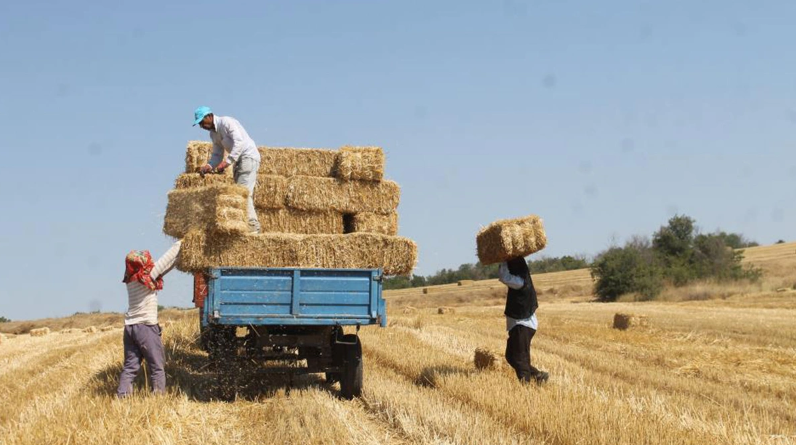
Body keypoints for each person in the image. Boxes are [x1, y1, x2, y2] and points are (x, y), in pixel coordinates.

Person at [117, 241, 181, 398]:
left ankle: (122, 396)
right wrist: (182, 242)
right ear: (143, 265)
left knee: (130, 367)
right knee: (157, 366)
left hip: (130, 327)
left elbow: (165, 268)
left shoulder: (131, 279)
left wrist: (179, 260)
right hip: (146, 327)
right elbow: (165, 260)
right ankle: (158, 397)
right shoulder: (147, 276)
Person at [193, 106, 261, 233]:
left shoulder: (226, 122)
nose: (201, 126)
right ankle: (246, 225)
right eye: (199, 124)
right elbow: (217, 154)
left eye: (202, 122)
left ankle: (253, 227)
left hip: (248, 157)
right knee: (239, 192)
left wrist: (227, 163)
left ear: (209, 116)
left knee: (243, 193)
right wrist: (209, 166)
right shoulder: (213, 134)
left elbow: (239, 142)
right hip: (238, 161)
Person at [498, 256, 549, 384]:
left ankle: (525, 387)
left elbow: (504, 277)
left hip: (523, 325)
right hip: (518, 325)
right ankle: (537, 375)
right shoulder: (521, 278)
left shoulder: (520, 282)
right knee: (511, 357)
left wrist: (502, 259)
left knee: (520, 359)